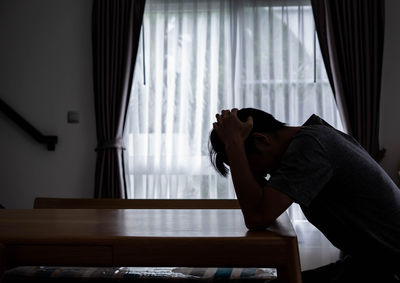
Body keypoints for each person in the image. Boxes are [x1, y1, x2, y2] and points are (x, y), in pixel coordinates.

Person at [209, 107, 400, 283]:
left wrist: (234, 143)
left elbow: (257, 216)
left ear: (262, 140)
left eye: (249, 165)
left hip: (390, 269)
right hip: (372, 264)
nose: (257, 175)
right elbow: (260, 207)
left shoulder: (310, 148)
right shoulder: (313, 136)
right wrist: (237, 148)